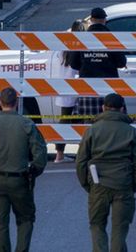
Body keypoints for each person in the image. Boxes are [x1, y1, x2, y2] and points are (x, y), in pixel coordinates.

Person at [0, 86, 48, 252]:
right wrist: (34, 171)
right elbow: (40, 152)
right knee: (26, 219)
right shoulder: (26, 124)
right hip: (20, 179)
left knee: (0, 223)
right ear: (16, 102)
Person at [75, 93, 136, 252]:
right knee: (119, 229)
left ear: (103, 108)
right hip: (123, 183)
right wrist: (134, 184)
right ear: (122, 109)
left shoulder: (92, 130)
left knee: (97, 225)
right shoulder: (132, 132)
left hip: (98, 182)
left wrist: (87, 185)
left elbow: (80, 162)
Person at [67, 7, 127, 119]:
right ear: (104, 20)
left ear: (91, 20)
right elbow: (121, 62)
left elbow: (73, 64)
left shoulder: (82, 38)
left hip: (87, 88)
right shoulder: (112, 38)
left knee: (89, 125)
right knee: (112, 121)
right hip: (110, 90)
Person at [51, 19, 85, 163]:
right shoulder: (79, 44)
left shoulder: (63, 45)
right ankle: (82, 152)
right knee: (82, 121)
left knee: (64, 121)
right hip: (77, 87)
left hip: (64, 89)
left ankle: (59, 154)